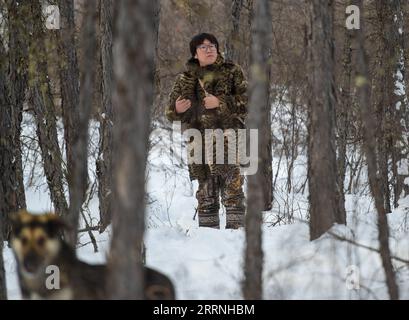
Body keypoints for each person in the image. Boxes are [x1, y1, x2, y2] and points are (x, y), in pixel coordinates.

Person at [165, 33, 248, 229]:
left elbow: (248, 101)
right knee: (206, 194)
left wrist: (220, 103)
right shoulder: (185, 79)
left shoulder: (232, 71)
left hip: (230, 138)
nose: (209, 49)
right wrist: (177, 110)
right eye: (203, 47)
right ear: (195, 54)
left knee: (233, 191)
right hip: (199, 141)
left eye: (212, 45)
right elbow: (170, 113)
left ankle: (236, 238)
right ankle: (208, 243)